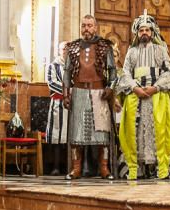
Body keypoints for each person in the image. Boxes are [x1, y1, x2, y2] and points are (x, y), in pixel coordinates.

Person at [116, 11, 170, 180]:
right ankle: (136, 169)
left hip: (156, 95)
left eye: (147, 30)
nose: (144, 33)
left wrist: (156, 87)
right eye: (141, 30)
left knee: (160, 129)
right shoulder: (131, 52)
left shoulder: (160, 50)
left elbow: (168, 71)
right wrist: (134, 87)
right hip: (136, 96)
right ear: (137, 33)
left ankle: (161, 169)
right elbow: (125, 73)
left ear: (152, 33)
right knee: (134, 131)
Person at [62, 15, 117, 180]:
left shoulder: (105, 47)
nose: (86, 28)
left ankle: (104, 169)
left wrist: (110, 87)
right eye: (84, 25)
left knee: (102, 134)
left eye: (89, 25)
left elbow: (113, 71)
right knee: (77, 134)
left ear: (95, 28)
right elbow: (67, 73)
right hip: (78, 93)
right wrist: (66, 95)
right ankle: (76, 168)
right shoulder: (72, 47)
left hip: (99, 93)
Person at [45, 42, 70, 175]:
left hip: (71, 105)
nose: (66, 51)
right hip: (58, 104)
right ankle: (55, 166)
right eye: (63, 48)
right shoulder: (53, 66)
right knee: (57, 135)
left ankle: (69, 166)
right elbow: (51, 83)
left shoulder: (73, 66)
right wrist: (67, 91)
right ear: (59, 51)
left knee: (70, 136)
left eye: (68, 48)